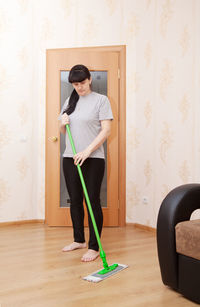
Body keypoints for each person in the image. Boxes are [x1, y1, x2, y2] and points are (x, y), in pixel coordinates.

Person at [59, 64, 113, 262]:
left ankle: (94, 246)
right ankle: (79, 240)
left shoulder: (101, 100)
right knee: (75, 200)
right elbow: (64, 132)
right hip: (70, 157)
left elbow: (106, 130)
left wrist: (87, 151)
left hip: (93, 158)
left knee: (92, 201)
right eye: (75, 84)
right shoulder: (69, 101)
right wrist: (62, 123)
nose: (79, 87)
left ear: (89, 79)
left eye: (82, 82)